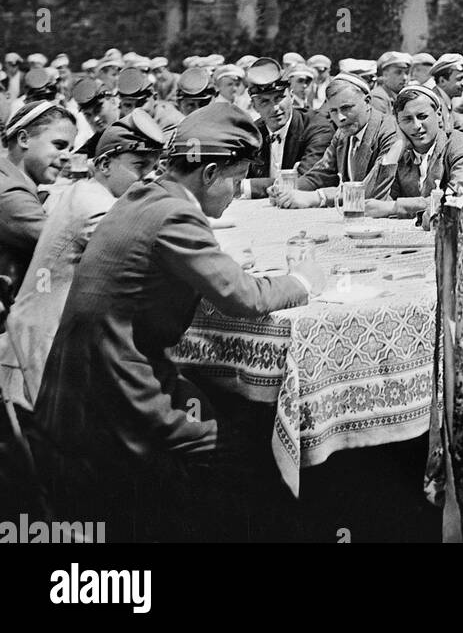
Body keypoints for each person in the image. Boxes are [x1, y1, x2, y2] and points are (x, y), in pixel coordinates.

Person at [32, 102, 325, 540]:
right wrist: (304, 279)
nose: (236, 191)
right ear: (209, 174)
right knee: (239, 456)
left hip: (78, 386)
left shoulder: (145, 194)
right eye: (237, 178)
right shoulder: (176, 213)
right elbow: (242, 297)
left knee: (220, 411)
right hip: (117, 393)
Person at [0, 111, 166, 411]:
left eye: (154, 170)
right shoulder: (10, 190)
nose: (147, 179)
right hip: (41, 352)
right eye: (140, 167)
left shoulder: (81, 192)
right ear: (103, 164)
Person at [272, 74, 400, 207]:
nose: (340, 117)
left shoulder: (390, 131)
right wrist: (287, 190)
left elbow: (371, 190)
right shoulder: (343, 133)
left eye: (346, 108)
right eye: (333, 111)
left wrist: (319, 197)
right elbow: (322, 173)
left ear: (367, 102)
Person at [362, 86, 463, 220]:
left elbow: (458, 198)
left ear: (439, 114)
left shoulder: (459, 144)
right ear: (397, 123)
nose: (416, 125)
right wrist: (396, 148)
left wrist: (395, 207)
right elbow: (370, 203)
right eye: (407, 119)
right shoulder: (400, 152)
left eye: (422, 116)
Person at [0, 102, 78, 298]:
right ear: (24, 139)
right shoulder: (9, 193)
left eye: (70, 148)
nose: (67, 156)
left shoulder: (10, 180)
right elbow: (65, 247)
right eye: (59, 145)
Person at [242, 58, 334, 198]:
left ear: (291, 96)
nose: (275, 108)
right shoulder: (252, 134)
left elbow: (306, 181)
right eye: (264, 101)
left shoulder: (317, 127)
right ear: (254, 106)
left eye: (279, 98)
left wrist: (246, 186)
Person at [430, 53, 463, 132]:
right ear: (442, 81)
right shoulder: (435, 105)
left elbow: (460, 122)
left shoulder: (445, 101)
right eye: (459, 79)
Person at [370, 51, 411, 116]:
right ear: (385, 75)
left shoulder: (403, 96)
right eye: (398, 72)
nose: (404, 78)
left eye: (407, 73)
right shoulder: (378, 98)